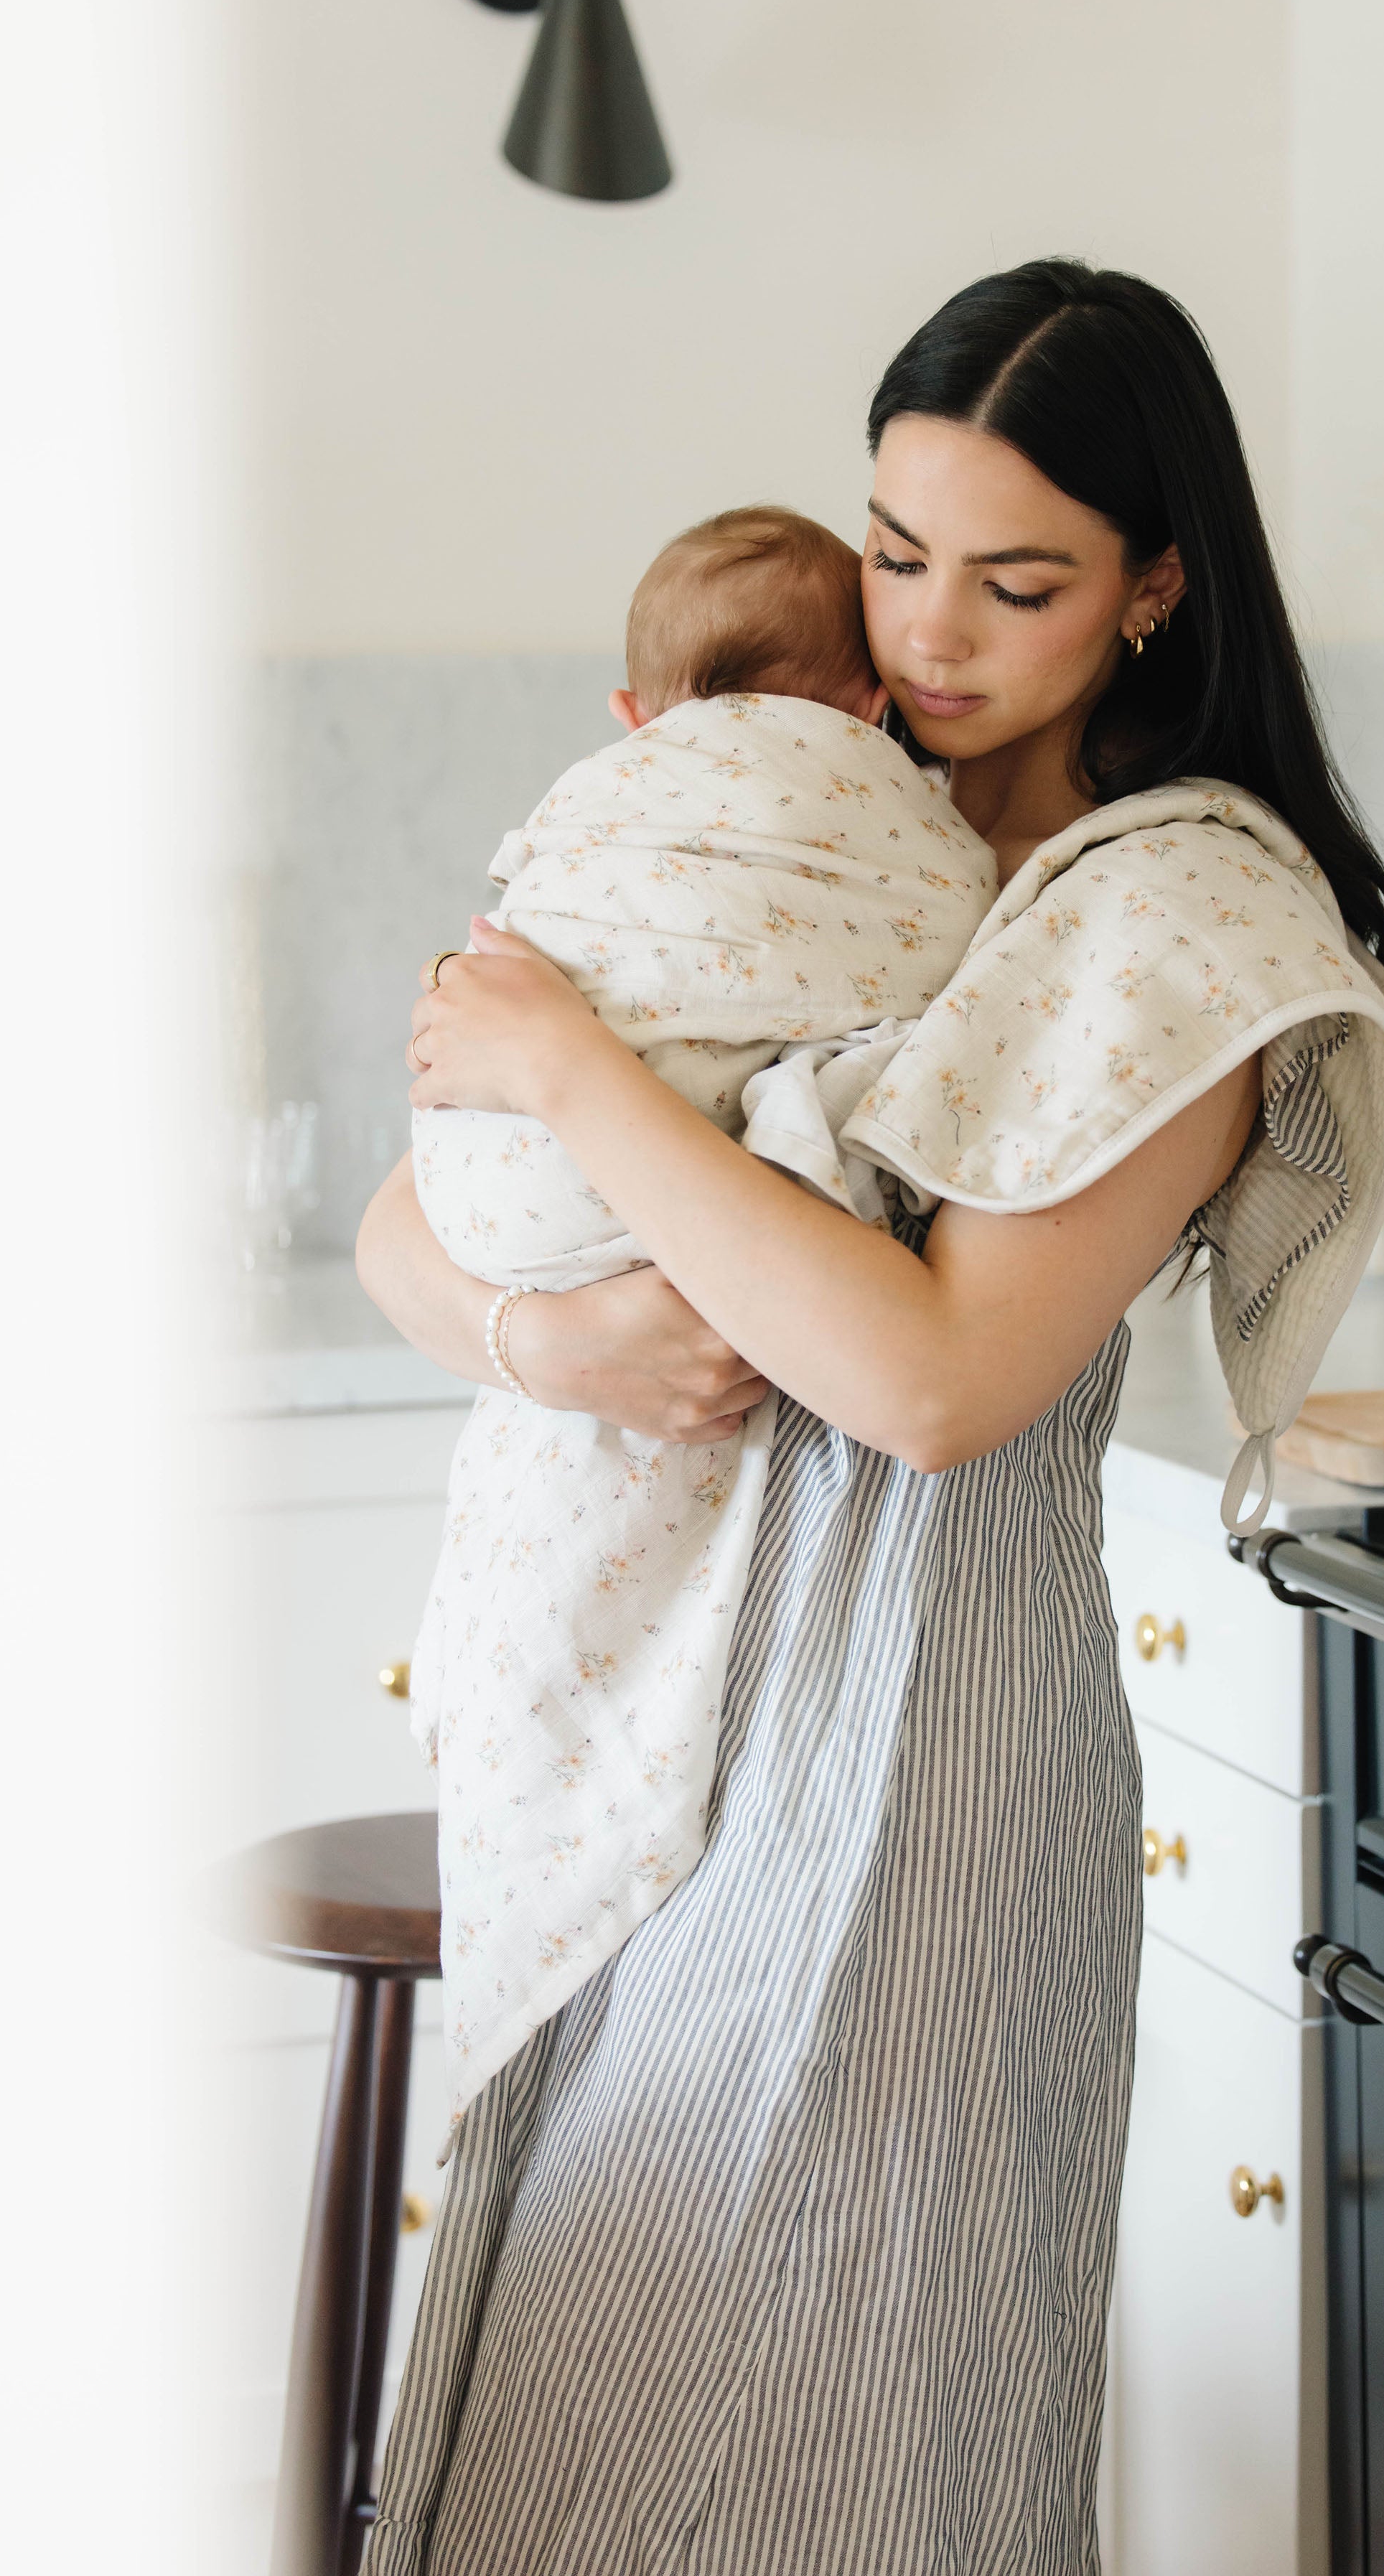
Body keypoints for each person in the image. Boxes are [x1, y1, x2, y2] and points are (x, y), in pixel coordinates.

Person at [357, 261, 1384, 2576]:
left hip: (916, 1759)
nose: (931, 635)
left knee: (851, 2442)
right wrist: (553, 1341)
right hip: (661, 1723)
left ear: (1158, 588)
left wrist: (567, 1075)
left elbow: (935, 1385)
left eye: (1017, 581)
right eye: (897, 551)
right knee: (593, 2415)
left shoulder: (1186, 920)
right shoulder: (817, 830)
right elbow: (409, 1220)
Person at [408, 503, 996, 2137]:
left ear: (630, 717)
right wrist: (564, 1337)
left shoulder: (589, 814)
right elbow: (932, 947)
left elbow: (471, 1055)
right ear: (867, 699)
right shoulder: (898, 827)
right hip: (631, 1247)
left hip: (518, 1197)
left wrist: (550, 1102)